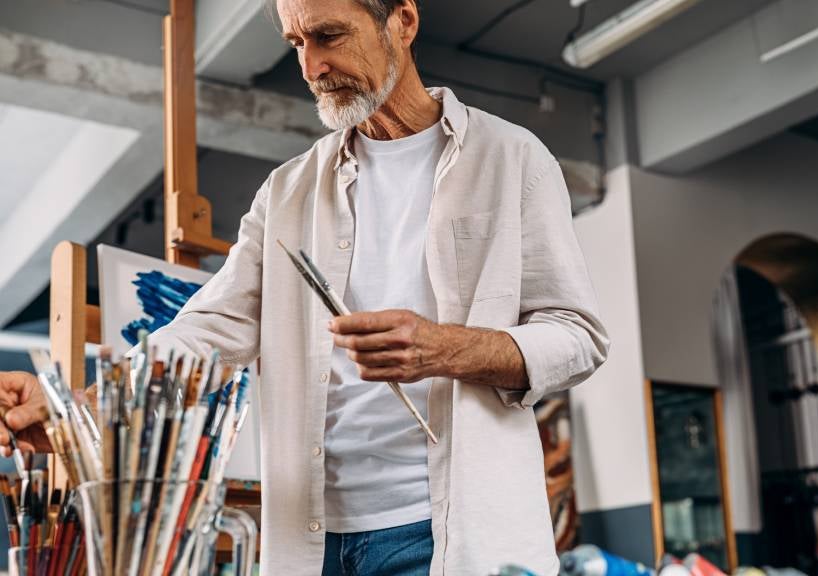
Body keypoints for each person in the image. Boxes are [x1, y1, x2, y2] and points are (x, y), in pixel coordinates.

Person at [0, 0, 608, 574]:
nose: (312, 66)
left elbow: (577, 337)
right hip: (311, 537)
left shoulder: (512, 159)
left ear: (402, 19)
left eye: (329, 35)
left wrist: (444, 349)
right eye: (296, 42)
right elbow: (209, 331)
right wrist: (70, 413)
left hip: (448, 531)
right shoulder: (288, 192)